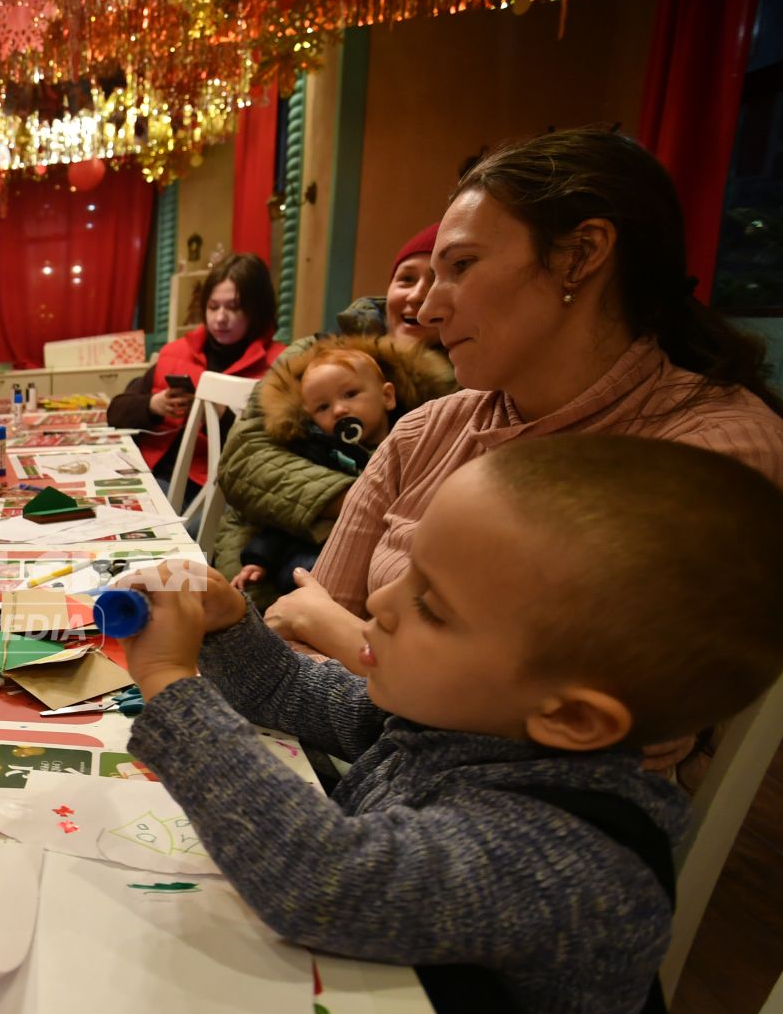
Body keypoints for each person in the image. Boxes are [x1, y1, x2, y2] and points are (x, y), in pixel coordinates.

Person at [115, 434, 783, 1014]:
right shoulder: (478, 722)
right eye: (412, 570)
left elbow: (325, 879)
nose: (385, 602)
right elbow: (296, 688)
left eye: (432, 604)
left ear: (571, 715)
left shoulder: (558, 853)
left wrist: (170, 685)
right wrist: (230, 628)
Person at [265, 128, 783, 672]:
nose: (430, 310)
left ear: (580, 255)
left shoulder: (719, 458)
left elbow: (570, 724)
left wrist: (331, 628)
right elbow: (295, 644)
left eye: (462, 266)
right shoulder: (427, 430)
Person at [214, 224, 446, 606]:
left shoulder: (464, 388)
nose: (418, 295)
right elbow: (244, 460)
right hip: (268, 545)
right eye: (406, 278)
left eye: (437, 279)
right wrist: (359, 500)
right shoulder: (314, 356)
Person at [231, 335, 455, 595]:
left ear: (388, 396)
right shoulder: (323, 453)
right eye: (323, 407)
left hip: (386, 558)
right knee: (306, 574)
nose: (338, 410)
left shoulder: (413, 445)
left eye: (350, 394)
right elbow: (287, 522)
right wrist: (259, 559)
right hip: (316, 553)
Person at [106, 253, 283, 487]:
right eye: (212, 307)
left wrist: (216, 412)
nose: (220, 318)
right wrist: (154, 405)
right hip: (151, 471)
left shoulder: (280, 366)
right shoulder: (176, 352)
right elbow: (116, 413)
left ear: (257, 310)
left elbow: (273, 450)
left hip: (219, 486)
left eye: (234, 308)